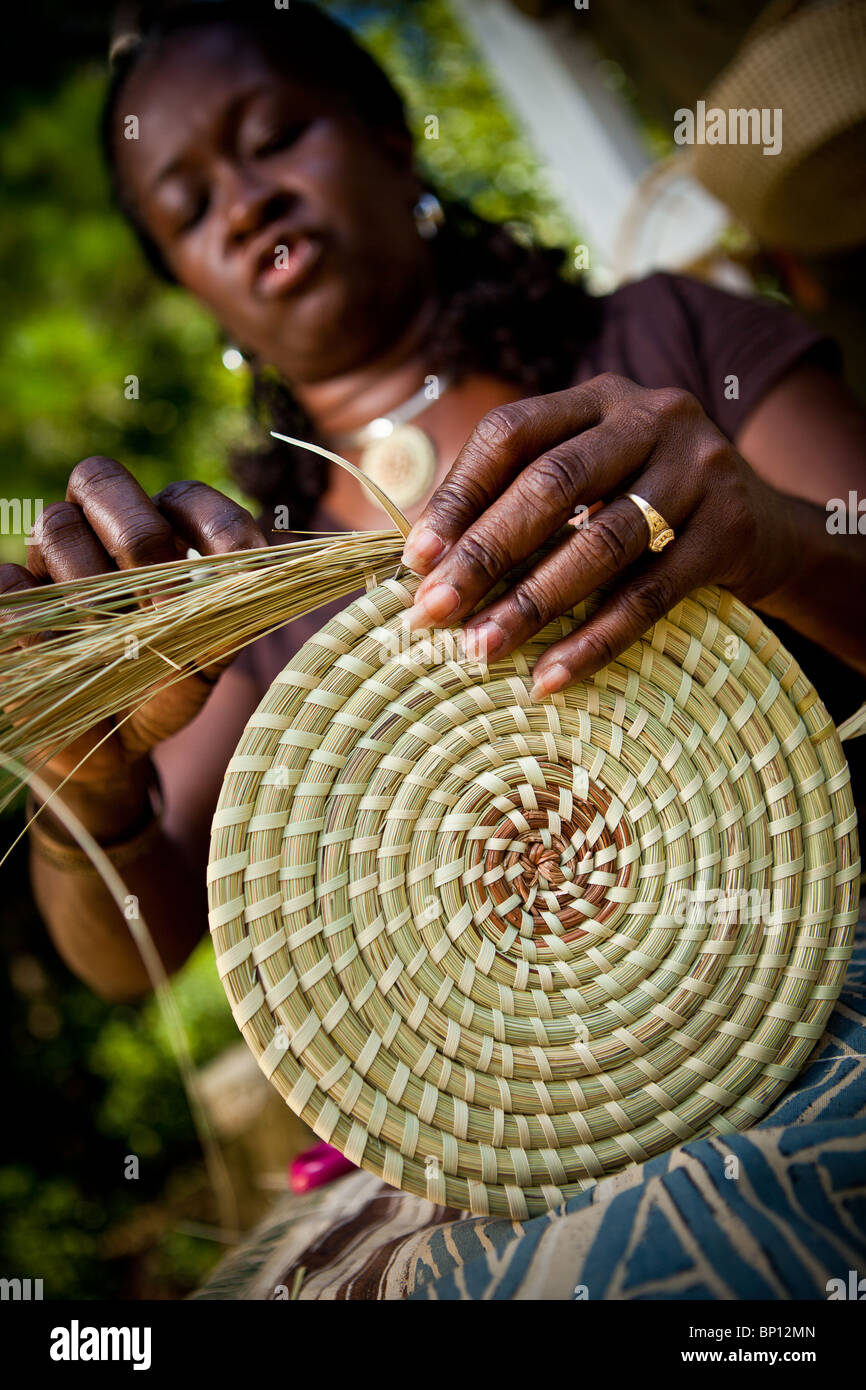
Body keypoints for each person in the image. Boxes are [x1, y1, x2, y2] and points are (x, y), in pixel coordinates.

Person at [4, 0, 865, 1005]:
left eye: (275, 138)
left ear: (388, 142)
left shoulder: (658, 348)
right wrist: (83, 780)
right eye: (191, 210)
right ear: (197, 293)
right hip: (558, 1090)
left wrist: (773, 543)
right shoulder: (245, 583)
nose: (243, 206)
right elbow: (134, 955)